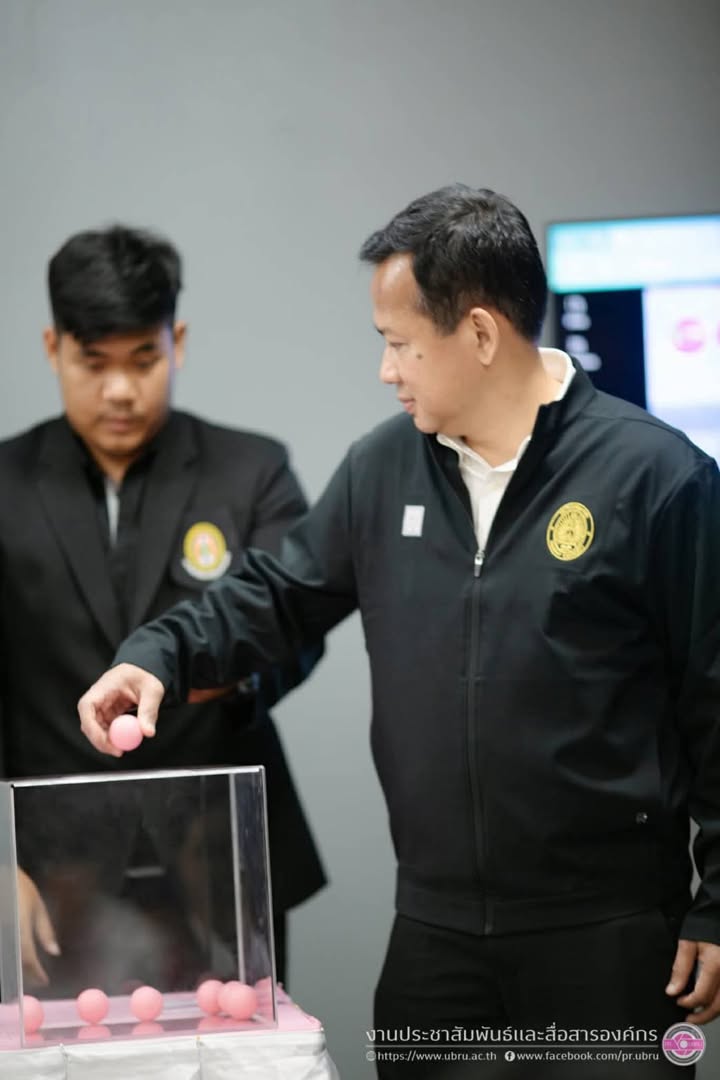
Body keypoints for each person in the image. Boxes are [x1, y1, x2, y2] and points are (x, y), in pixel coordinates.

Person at [79, 187, 720, 1077]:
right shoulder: (382, 469)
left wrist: (716, 902)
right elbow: (274, 593)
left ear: (481, 334)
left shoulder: (656, 478)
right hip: (435, 938)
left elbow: (712, 697)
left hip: (604, 936)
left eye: (400, 342)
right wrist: (157, 657)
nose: (387, 370)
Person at [0, 225, 325, 991]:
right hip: (49, 873)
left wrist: (228, 679)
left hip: (220, 857)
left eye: (143, 360)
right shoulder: (4, 485)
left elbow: (296, 623)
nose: (120, 390)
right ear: (52, 348)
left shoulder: (252, 470)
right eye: (94, 363)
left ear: (176, 342)